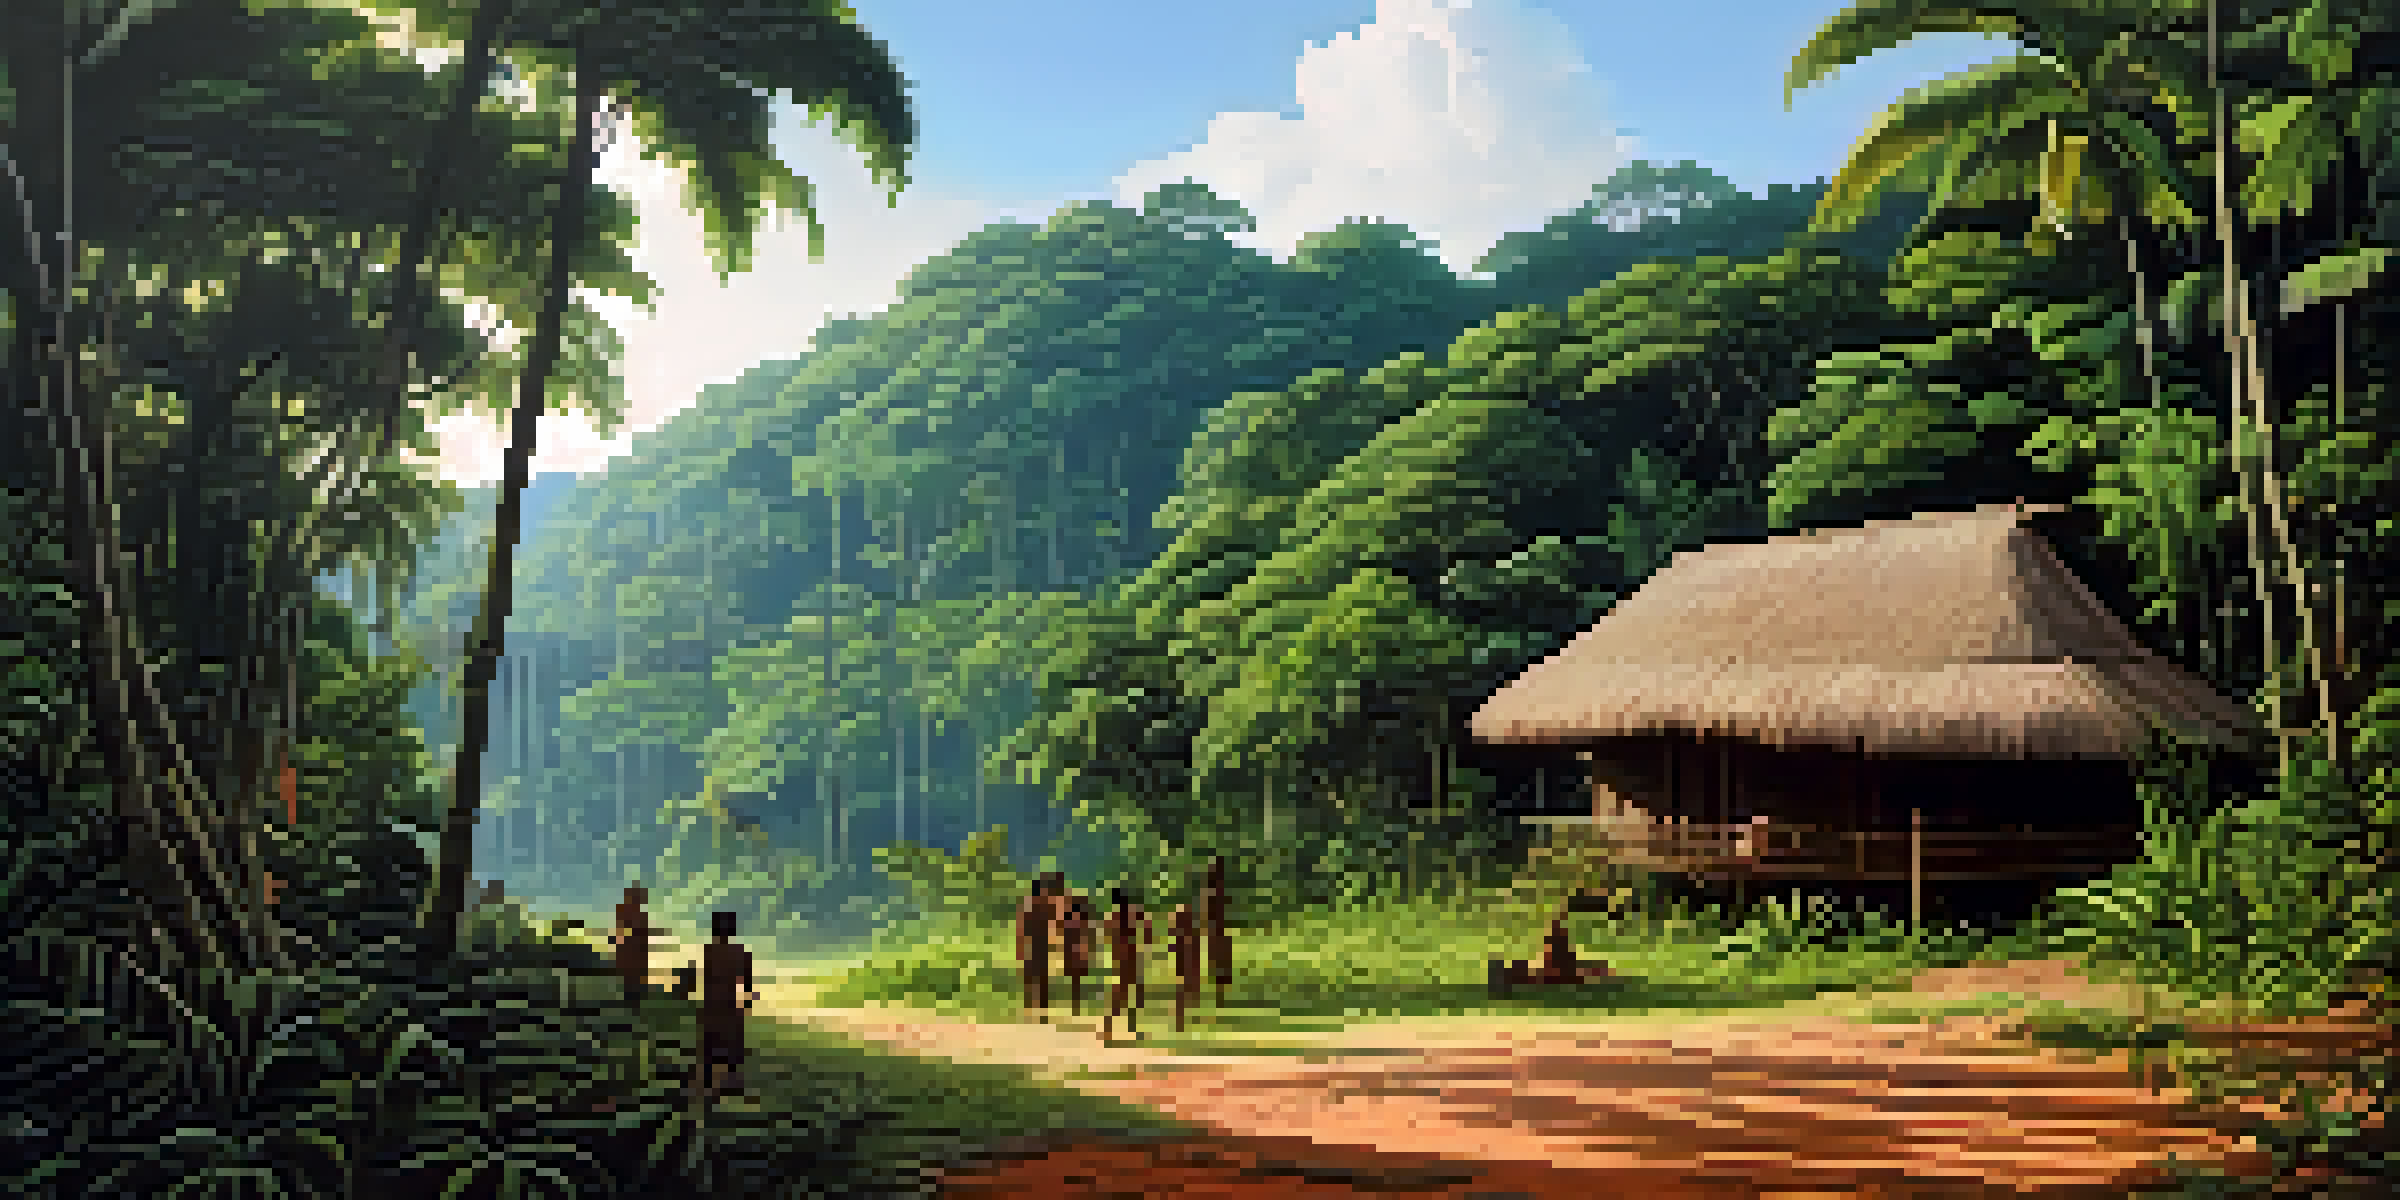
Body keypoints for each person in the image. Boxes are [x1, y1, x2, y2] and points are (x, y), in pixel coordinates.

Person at [697, 911, 757, 1099]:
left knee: (711, 1045)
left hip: (713, 1004)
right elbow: (747, 982)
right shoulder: (740, 952)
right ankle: (729, 1081)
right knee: (731, 1044)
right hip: (729, 1004)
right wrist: (746, 1003)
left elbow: (706, 980)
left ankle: (709, 1083)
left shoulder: (709, 951)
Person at [1100, 887, 1153, 1041]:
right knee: (1131, 994)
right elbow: (1146, 932)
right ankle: (1124, 1028)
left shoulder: (1117, 916)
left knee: (1128, 994)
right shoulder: (1128, 915)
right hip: (1129, 957)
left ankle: (1118, 1027)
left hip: (1125, 957)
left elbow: (1109, 934)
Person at [610, 884, 667, 1006]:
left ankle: (632, 1005)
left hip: (636, 956)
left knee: (634, 986)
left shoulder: (639, 915)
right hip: (630, 954)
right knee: (629, 985)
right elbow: (622, 933)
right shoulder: (625, 911)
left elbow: (640, 935)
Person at [1015, 876, 1054, 1014]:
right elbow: (1021, 926)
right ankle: (1032, 1004)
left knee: (1040, 973)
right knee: (1032, 973)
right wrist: (1020, 945)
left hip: (1040, 943)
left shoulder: (1043, 905)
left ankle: (1041, 1005)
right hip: (1032, 943)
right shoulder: (1031, 905)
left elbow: (1051, 925)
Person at [1059, 891, 1095, 1016]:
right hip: (1074, 953)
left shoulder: (1078, 922)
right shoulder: (1074, 922)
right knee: (1075, 978)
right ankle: (1076, 1004)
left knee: (1077, 978)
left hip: (1077, 952)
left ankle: (1076, 1004)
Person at [1168, 903, 1202, 1033]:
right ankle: (1182, 1021)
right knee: (1185, 991)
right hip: (1185, 963)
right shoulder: (1183, 933)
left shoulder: (1186, 932)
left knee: (1188, 991)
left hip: (1188, 963)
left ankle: (1185, 1020)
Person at [1203, 857, 1232, 1007]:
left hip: (1217, 932)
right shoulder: (1217, 890)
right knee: (1218, 963)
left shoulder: (1213, 890)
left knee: (1220, 963)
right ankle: (1220, 994)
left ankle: (1220, 994)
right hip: (1217, 931)